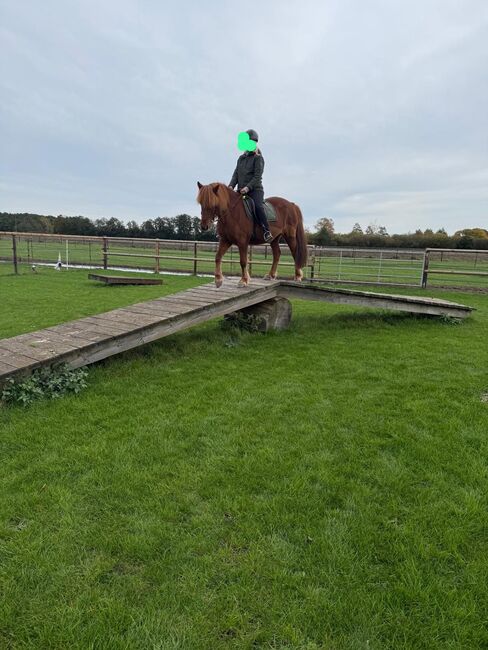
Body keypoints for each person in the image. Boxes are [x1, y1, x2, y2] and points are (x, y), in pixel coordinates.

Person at [228, 129, 273, 242]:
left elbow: (257, 177)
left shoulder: (258, 158)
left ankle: (266, 230)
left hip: (255, 190)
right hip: (240, 191)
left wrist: (248, 187)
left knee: (258, 206)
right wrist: (231, 186)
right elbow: (236, 174)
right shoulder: (241, 159)